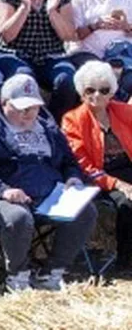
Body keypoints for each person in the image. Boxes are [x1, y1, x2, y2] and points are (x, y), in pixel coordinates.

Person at [0, 73, 97, 291]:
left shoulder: (47, 128)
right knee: (19, 218)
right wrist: (3, 189)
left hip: (50, 195)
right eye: (22, 108)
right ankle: (17, 275)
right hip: (2, 195)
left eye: (34, 107)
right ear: (4, 103)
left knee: (87, 211)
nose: (29, 113)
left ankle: (52, 272)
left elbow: (69, 160)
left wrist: (73, 177)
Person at [0, 0, 81, 119]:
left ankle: (52, 124)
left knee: (67, 80)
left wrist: (52, 11)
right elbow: (7, 35)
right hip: (12, 53)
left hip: (50, 55)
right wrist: (24, 7)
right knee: (24, 78)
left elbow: (69, 35)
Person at [61, 60, 132, 272]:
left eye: (104, 90)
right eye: (90, 90)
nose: (97, 95)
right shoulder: (73, 120)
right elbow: (84, 166)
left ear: (112, 92)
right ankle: (126, 261)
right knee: (128, 203)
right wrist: (119, 185)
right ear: (81, 92)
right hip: (100, 176)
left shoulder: (123, 111)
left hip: (127, 166)